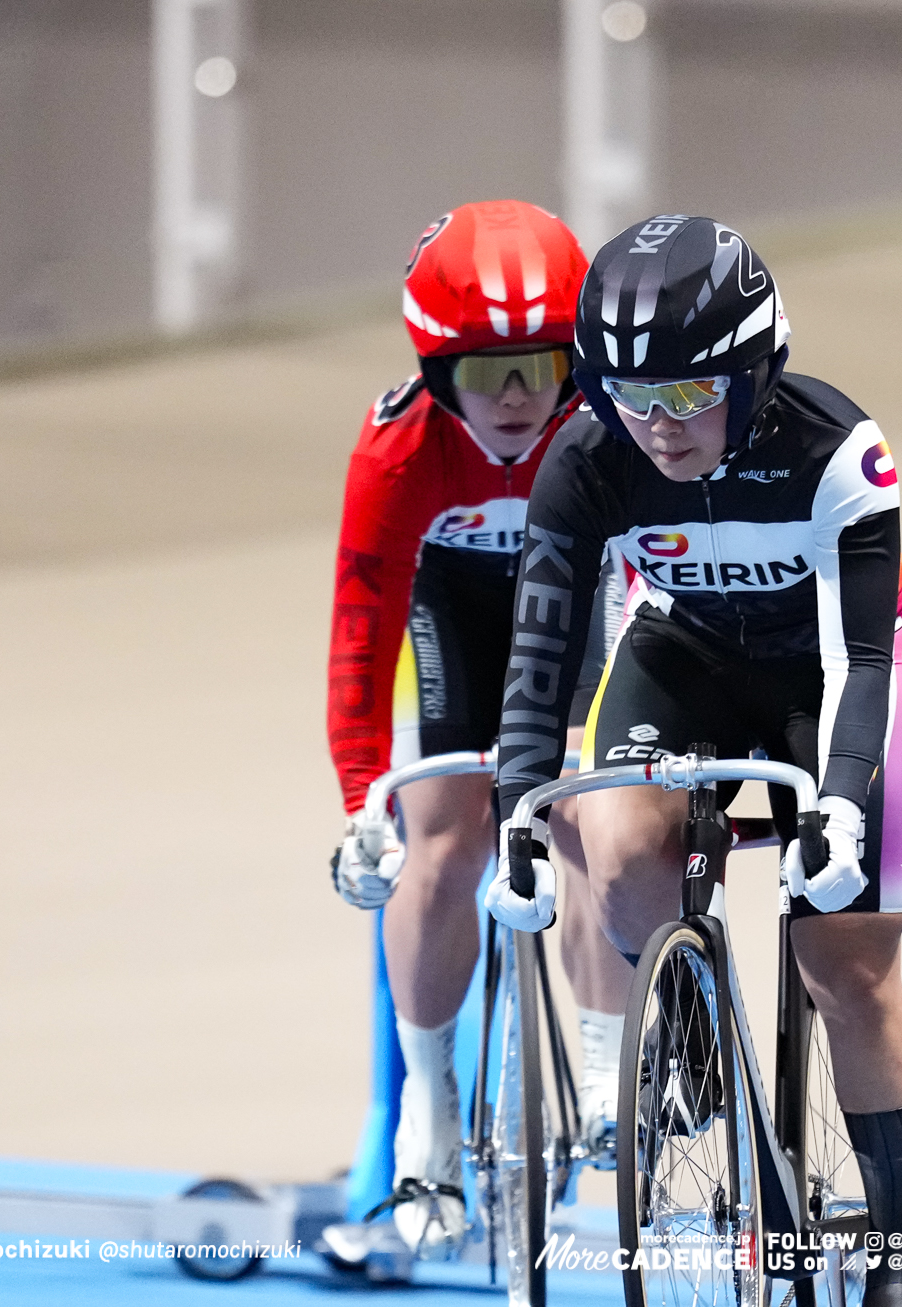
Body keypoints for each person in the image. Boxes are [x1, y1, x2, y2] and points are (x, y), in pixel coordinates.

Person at [485, 214, 902, 1307]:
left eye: (688, 396)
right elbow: (541, 654)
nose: (658, 426)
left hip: (813, 677)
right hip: (679, 652)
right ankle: (686, 1018)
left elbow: (860, 658)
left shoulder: (836, 449)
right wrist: (515, 810)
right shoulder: (586, 462)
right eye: (631, 396)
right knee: (616, 836)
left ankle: (896, 1250)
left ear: (752, 373)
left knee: (847, 960)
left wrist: (836, 801)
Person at [320, 200, 634, 1261]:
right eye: (483, 373)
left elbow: (655, 579)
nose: (510, 401)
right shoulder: (399, 450)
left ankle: (604, 1073)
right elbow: (361, 634)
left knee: (594, 814)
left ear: (578, 366)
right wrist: (363, 792)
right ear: (431, 365)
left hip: (584, 598)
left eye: (538, 370)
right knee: (443, 837)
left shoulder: (615, 425)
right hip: (451, 605)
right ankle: (428, 1111)